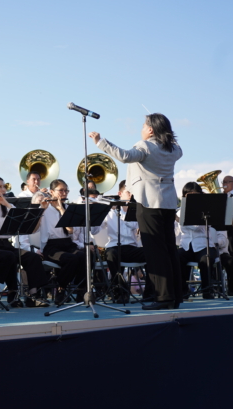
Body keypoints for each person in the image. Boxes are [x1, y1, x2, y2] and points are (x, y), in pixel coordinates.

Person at [90, 113, 183, 310]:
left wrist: (101, 142)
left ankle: (163, 298)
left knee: (155, 252)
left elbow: (124, 156)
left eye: (143, 125)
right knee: (169, 249)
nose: (141, 128)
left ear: (150, 130)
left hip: (149, 202)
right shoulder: (174, 148)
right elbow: (175, 149)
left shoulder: (145, 146)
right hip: (167, 202)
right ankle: (175, 295)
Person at [0, 176, 51, 307]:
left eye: (4, 187)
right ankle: (12, 293)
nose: (3, 190)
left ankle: (33, 295)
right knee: (10, 256)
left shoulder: (8, 207)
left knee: (32, 257)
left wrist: (6, 204)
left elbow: (20, 222)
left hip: (6, 244)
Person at [36, 179, 85, 305]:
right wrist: (41, 209)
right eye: (61, 190)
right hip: (51, 245)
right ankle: (60, 289)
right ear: (52, 192)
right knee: (71, 259)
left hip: (67, 242)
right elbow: (34, 228)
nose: (64, 193)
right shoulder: (44, 208)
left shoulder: (68, 208)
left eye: (66, 190)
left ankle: (81, 291)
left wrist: (62, 210)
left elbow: (70, 231)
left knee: (84, 256)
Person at [101, 180, 149, 303]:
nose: (132, 195)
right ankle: (120, 291)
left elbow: (133, 225)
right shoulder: (110, 211)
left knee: (152, 253)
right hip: (114, 247)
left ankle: (151, 292)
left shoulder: (137, 210)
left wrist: (123, 211)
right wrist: (101, 210)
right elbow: (95, 230)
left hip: (131, 248)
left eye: (134, 193)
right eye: (129, 192)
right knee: (111, 255)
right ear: (120, 193)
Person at [176, 182, 220, 299]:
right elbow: (176, 232)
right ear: (184, 196)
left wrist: (177, 219)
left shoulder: (206, 210)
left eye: (195, 194)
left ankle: (207, 291)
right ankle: (182, 291)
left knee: (205, 259)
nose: (192, 197)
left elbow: (195, 226)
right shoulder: (180, 211)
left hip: (204, 245)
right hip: (186, 245)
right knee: (177, 257)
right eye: (189, 194)